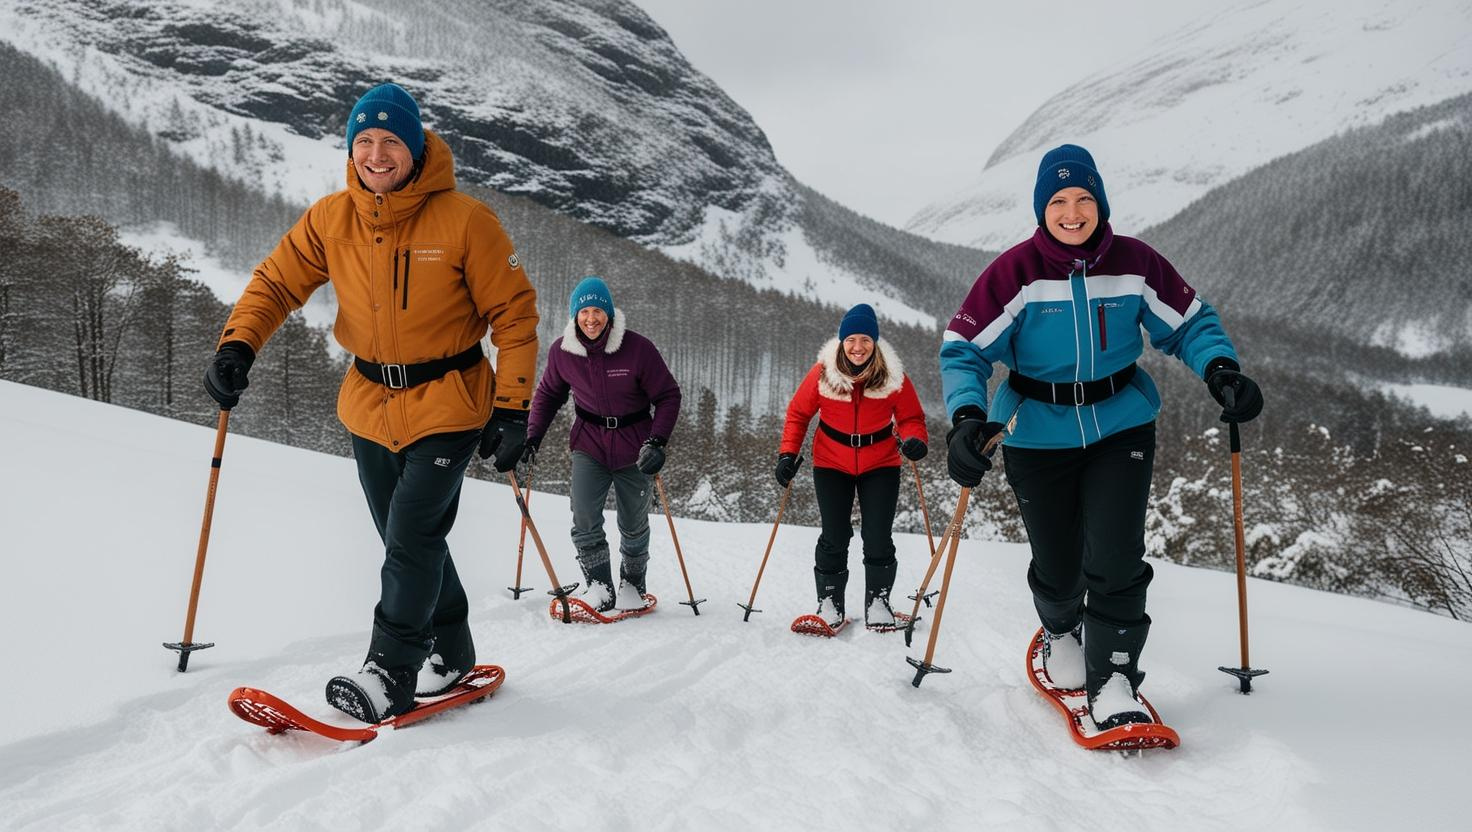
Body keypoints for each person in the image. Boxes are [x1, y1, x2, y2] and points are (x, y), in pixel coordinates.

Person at [203, 83, 539, 723]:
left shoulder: (466, 222)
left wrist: (512, 407)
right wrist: (237, 345)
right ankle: (454, 648)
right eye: (364, 142)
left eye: (391, 142)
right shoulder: (332, 219)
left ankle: (390, 671)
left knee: (411, 536)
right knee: (407, 537)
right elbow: (275, 283)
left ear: (415, 150)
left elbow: (514, 316)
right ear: (351, 149)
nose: (377, 155)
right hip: (369, 405)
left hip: (449, 404)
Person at [939, 144, 1263, 728]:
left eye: (1083, 198)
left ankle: (1114, 676)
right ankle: (1061, 628)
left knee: (1115, 556)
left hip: (1121, 425)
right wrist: (966, 417)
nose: (1071, 211)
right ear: (1042, 210)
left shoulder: (1135, 263)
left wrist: (1221, 369)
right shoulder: (1013, 274)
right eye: (1058, 201)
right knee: (1058, 564)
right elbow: (963, 350)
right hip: (1036, 432)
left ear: (1101, 203)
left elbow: (1189, 324)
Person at [523, 276, 681, 612]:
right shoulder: (563, 352)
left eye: (597, 310)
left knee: (633, 523)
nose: (591, 318)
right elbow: (549, 395)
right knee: (583, 515)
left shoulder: (638, 349)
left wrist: (657, 442)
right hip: (589, 443)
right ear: (574, 315)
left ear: (608, 314)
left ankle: (632, 586)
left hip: (635, 447)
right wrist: (532, 436)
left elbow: (668, 395)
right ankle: (599, 587)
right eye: (584, 311)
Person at [776, 304, 929, 630]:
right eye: (851, 340)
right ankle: (829, 604)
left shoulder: (893, 376)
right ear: (842, 341)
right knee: (834, 535)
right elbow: (798, 414)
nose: (857, 347)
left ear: (875, 343)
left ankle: (878, 604)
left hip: (881, 462)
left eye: (865, 340)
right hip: (832, 462)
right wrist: (787, 454)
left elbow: (911, 418)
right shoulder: (822, 373)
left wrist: (915, 440)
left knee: (877, 537)